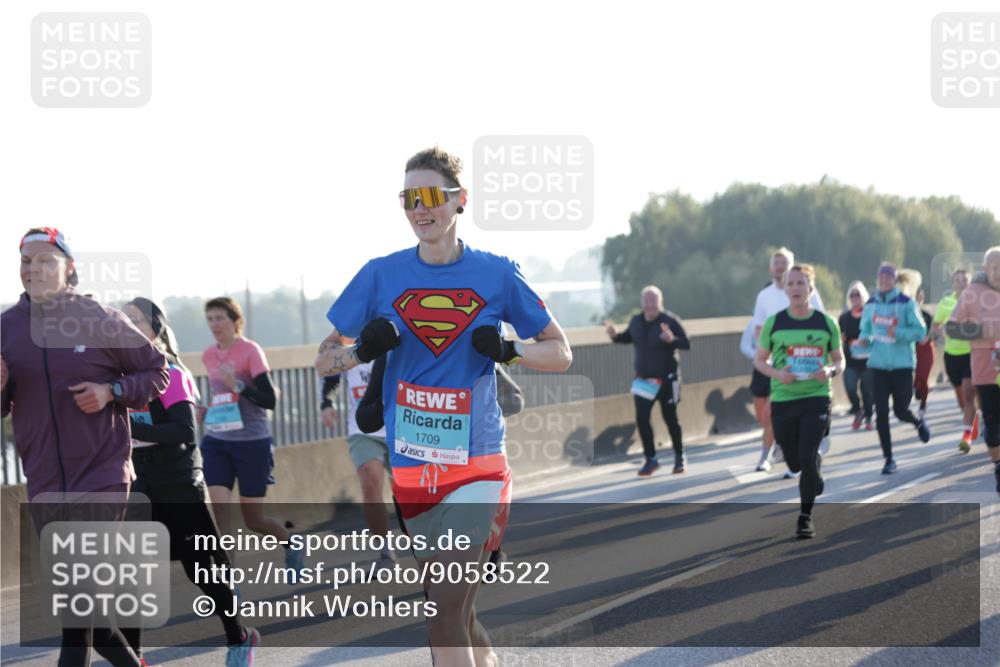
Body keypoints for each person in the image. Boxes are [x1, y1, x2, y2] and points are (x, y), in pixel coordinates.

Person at [315, 147, 572, 667]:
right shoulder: (379, 275)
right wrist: (362, 351)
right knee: (458, 610)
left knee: (442, 606)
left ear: (460, 201)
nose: (419, 208)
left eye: (431, 196)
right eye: (408, 198)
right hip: (411, 464)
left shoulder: (497, 274)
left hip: (476, 459)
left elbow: (560, 352)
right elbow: (323, 362)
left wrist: (508, 349)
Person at [1, 228, 169, 667]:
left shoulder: (99, 317)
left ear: (69, 267)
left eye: (44, 261)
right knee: (94, 623)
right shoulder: (6, 328)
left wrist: (111, 390)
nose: (32, 270)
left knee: (74, 631)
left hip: (101, 474)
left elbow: (157, 372)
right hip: (44, 481)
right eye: (25, 262)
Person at [121, 298, 259, 666]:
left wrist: (125, 426)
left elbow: (182, 429)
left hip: (176, 477)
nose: (130, 325)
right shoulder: (117, 375)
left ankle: (239, 636)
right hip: (136, 478)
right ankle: (133, 658)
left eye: (137, 320)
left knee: (200, 567)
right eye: (125, 320)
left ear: (156, 328)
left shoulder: (169, 371)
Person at [197, 296, 305, 575]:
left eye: (220, 318)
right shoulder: (208, 354)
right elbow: (222, 396)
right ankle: (229, 581)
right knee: (220, 511)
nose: (214, 324)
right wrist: (206, 409)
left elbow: (269, 400)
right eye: (210, 319)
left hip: (252, 442)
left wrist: (240, 386)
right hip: (218, 441)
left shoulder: (250, 351)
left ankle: (291, 543)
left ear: (235, 321)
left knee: (254, 520)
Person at [754, 265, 844, 539]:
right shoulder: (775, 322)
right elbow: (759, 360)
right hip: (784, 398)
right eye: (790, 284)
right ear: (785, 289)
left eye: (800, 283)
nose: (795, 288)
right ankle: (811, 468)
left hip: (816, 397)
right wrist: (778, 373)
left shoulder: (826, 323)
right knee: (794, 463)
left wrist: (829, 371)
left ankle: (805, 517)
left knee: (805, 455)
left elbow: (839, 359)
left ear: (810, 289)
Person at [749, 247, 826, 472]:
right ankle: (781, 447)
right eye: (777, 263)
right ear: (771, 268)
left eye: (785, 263)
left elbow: (821, 322)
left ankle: (768, 455)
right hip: (772, 361)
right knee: (764, 412)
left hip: (802, 363)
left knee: (774, 411)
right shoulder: (764, 295)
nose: (781, 267)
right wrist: (769, 353)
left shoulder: (807, 290)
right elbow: (758, 328)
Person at [320, 354, 397, 569]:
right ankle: (384, 551)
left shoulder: (397, 333)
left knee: (404, 490)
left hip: (398, 425)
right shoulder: (350, 342)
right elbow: (332, 378)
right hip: (362, 429)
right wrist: (327, 403)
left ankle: (425, 546)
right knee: (371, 485)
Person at [604, 286, 690, 475]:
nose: (650, 305)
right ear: (642, 303)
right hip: (644, 380)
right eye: (647, 301)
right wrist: (615, 336)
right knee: (642, 418)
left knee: (671, 419)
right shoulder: (636, 321)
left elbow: (686, 343)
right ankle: (651, 459)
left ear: (661, 302)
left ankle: (679, 456)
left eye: (653, 301)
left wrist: (671, 339)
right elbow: (627, 338)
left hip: (668, 379)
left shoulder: (670, 320)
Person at [857, 263, 930, 475]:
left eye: (888, 277)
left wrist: (896, 332)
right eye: (880, 277)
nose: (883, 280)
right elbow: (866, 330)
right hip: (878, 366)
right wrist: (863, 340)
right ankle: (889, 459)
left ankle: (917, 422)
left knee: (900, 411)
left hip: (902, 366)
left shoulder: (906, 303)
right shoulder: (870, 304)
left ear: (894, 280)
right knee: (881, 413)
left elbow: (919, 331)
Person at [946, 247, 1000, 494]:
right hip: (986, 372)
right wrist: (981, 331)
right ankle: (999, 465)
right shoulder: (972, 294)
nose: (998, 273)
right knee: (993, 429)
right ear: (985, 270)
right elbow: (952, 328)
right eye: (994, 268)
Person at [933, 268, 979, 453]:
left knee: (969, 394)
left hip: (971, 354)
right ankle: (972, 423)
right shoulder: (946, 303)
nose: (961, 283)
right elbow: (935, 327)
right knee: (962, 400)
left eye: (964, 280)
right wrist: (944, 331)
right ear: (953, 284)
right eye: (957, 280)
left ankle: (966, 436)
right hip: (951, 356)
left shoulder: (976, 302)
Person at [896, 272, 934, 419]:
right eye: (915, 296)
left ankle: (923, 402)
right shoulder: (905, 312)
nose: (918, 299)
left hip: (925, 349)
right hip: (912, 349)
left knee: (923, 378)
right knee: (915, 381)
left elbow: (927, 335)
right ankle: (918, 391)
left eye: (920, 297)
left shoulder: (926, 315)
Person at [839, 281, 874, 431]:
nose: (854, 297)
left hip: (868, 359)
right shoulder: (844, 317)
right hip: (851, 360)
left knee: (867, 390)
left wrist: (868, 339)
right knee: (850, 387)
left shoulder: (870, 314)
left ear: (863, 296)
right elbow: (841, 336)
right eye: (852, 295)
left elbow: (877, 332)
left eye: (857, 294)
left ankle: (869, 419)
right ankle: (858, 409)